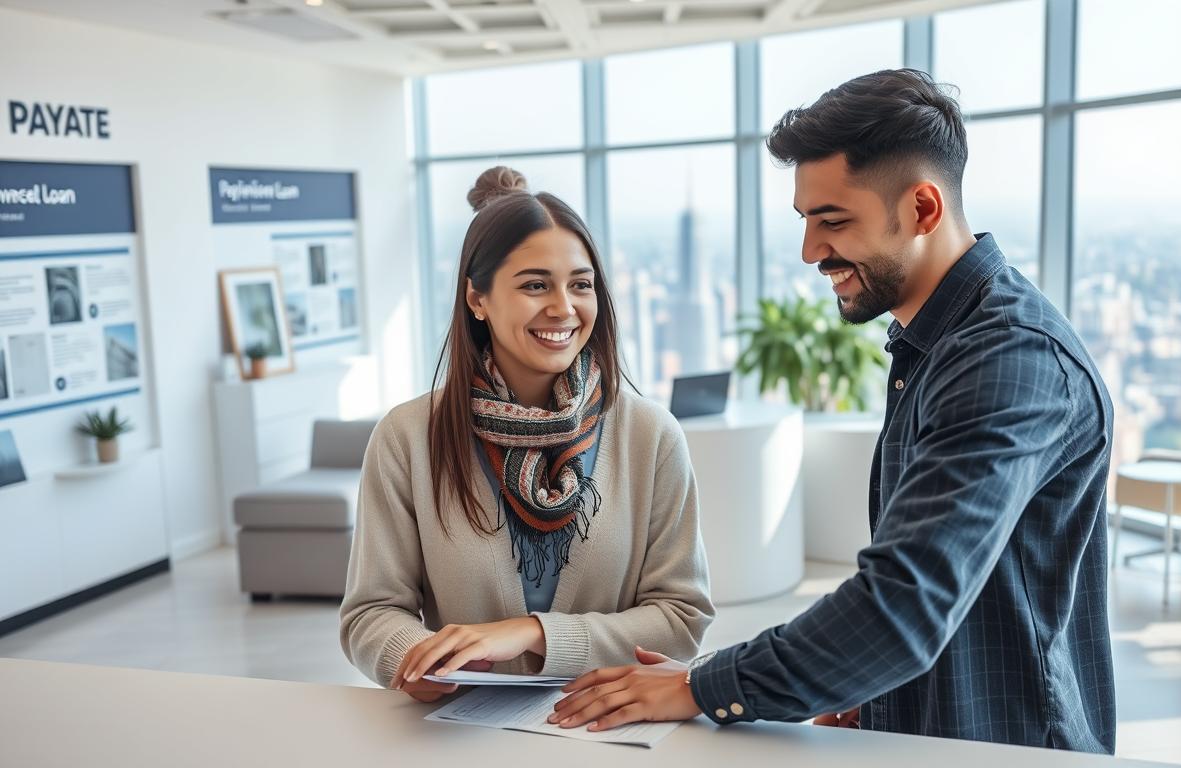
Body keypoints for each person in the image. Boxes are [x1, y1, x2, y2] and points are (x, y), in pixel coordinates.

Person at [548, 69, 1118, 754]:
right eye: (807, 220)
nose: (810, 251)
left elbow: (904, 603)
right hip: (940, 734)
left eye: (833, 221)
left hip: (1008, 746)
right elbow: (958, 584)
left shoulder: (1009, 360)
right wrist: (875, 692)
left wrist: (699, 687)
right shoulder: (936, 347)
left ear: (922, 210)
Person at [339, 167, 714, 702]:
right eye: (535, 284)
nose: (563, 307)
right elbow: (371, 613)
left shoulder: (649, 435)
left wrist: (537, 635)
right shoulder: (408, 437)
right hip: (460, 734)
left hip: (608, 729)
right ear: (478, 299)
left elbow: (681, 618)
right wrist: (413, 660)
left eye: (580, 285)